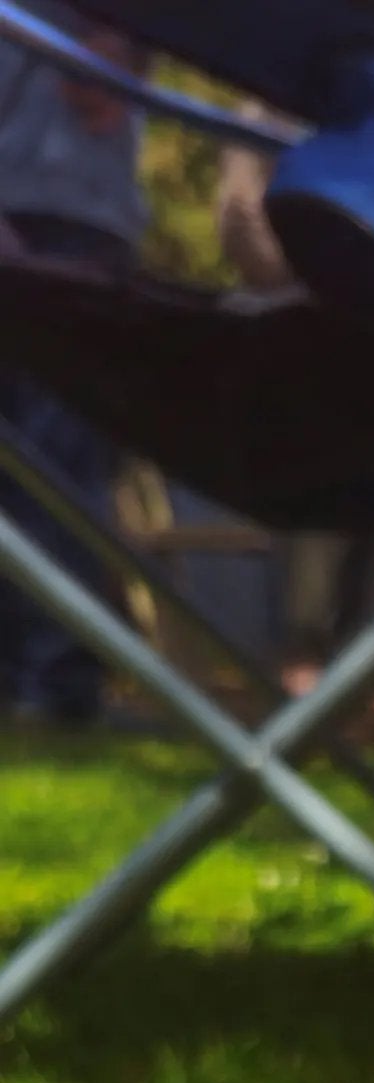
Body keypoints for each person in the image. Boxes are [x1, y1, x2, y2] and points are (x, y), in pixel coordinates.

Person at [0, 8, 145, 722]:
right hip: (29, 214)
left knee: (60, 472)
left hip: (77, 229)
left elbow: (118, 68)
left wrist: (118, 56)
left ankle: (55, 679)